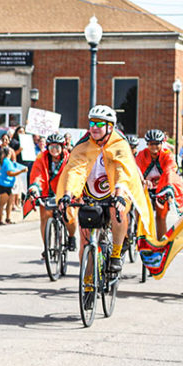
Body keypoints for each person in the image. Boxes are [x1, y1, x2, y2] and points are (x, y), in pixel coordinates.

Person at [56, 105, 153, 277]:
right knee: (86, 243)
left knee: (118, 211)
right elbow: (75, 170)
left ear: (110, 126)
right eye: (92, 122)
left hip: (115, 193)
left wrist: (120, 195)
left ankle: (116, 253)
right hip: (90, 194)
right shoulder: (83, 145)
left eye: (100, 124)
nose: (94, 127)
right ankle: (87, 282)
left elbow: (122, 171)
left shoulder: (119, 144)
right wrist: (67, 194)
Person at [28, 132, 76, 250]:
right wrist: (34, 187)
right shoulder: (41, 158)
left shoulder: (69, 158)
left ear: (62, 147)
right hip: (47, 192)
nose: (54, 149)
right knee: (45, 217)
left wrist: (69, 192)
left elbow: (73, 175)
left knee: (69, 216)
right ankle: (46, 247)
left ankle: (71, 237)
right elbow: (37, 175)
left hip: (65, 191)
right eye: (51, 147)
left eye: (57, 147)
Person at [136, 129, 183, 239]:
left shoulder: (167, 155)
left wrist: (166, 190)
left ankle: (161, 243)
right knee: (139, 211)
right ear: (147, 144)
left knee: (160, 216)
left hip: (163, 187)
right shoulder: (142, 154)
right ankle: (137, 235)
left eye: (157, 143)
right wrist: (142, 181)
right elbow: (136, 171)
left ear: (162, 143)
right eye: (151, 144)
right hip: (145, 188)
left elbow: (170, 171)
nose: (154, 146)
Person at [0, 145, 27, 225]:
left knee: (9, 202)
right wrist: (21, 171)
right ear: (9, 153)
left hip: (8, 184)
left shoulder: (5, 161)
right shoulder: (6, 161)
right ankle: (0, 220)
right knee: (2, 203)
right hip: (4, 184)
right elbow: (10, 173)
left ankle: (8, 218)